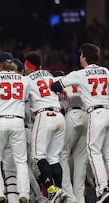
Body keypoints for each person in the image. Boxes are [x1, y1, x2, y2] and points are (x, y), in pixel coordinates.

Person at [51, 43, 109, 203]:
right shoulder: (105, 71)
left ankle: (102, 190)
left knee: (94, 152)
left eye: (80, 55)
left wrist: (62, 87)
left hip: (96, 113)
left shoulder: (79, 74)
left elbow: (54, 85)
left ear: (84, 57)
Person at [0, 52, 30, 203]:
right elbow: (27, 99)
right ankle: (24, 193)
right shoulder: (23, 80)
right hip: (17, 121)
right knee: (21, 161)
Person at [23, 51, 66, 202]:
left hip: (44, 116)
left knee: (38, 155)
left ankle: (51, 189)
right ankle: (59, 191)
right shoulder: (49, 75)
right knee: (54, 158)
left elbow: (21, 99)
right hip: (59, 116)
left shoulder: (27, 79)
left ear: (28, 66)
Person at [58, 70, 89, 203]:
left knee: (62, 155)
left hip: (72, 115)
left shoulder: (61, 82)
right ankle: (80, 198)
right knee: (81, 159)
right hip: (86, 115)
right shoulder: (81, 81)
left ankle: (69, 196)